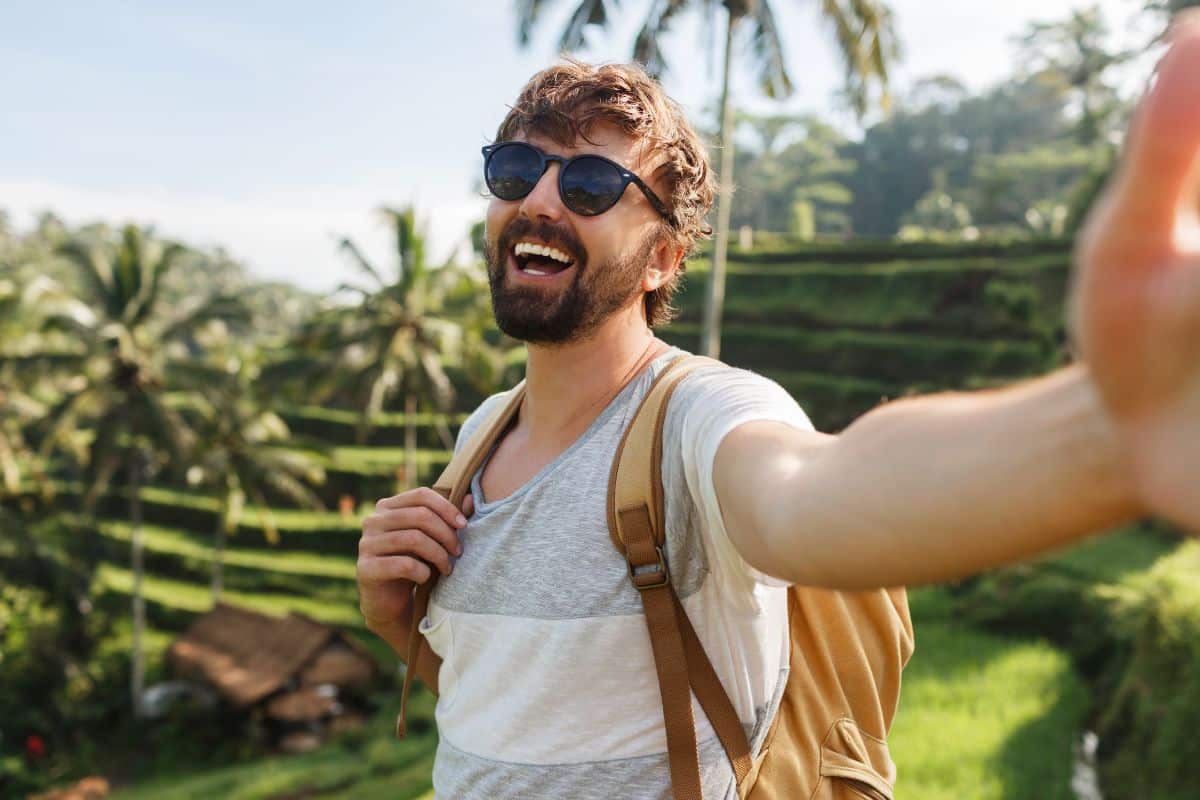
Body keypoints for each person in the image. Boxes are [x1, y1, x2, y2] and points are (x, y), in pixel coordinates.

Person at [357, 15, 1200, 798]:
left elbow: (824, 494)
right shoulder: (481, 434)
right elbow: (513, 706)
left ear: (662, 258)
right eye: (516, 169)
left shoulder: (697, 420)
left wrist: (1106, 434)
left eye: (590, 184)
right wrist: (395, 619)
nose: (540, 199)